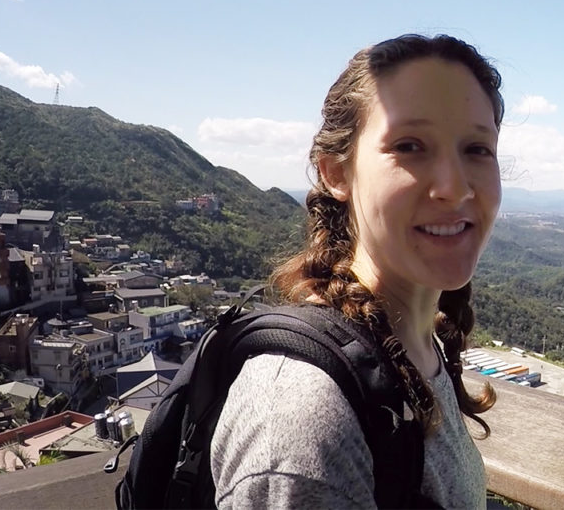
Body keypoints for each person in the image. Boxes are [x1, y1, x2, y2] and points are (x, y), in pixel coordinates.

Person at [210, 34, 504, 508]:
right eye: (409, 146)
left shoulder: (419, 348)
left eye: (477, 149)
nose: (454, 187)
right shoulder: (304, 417)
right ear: (336, 174)